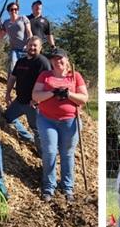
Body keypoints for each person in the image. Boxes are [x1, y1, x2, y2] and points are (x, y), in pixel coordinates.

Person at [32, 48, 88, 203]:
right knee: (50, 152)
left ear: (66, 60)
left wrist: (69, 94)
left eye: (60, 58)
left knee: (67, 154)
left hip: (70, 121)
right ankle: (49, 187)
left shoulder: (75, 76)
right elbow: (35, 96)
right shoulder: (45, 76)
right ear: (51, 62)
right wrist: (53, 92)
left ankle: (67, 188)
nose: (58, 62)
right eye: (54, 59)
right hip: (47, 119)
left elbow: (84, 98)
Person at [4, 36, 51, 144]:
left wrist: (38, 100)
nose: (32, 47)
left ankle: (42, 155)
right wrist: (7, 94)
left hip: (33, 105)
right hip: (19, 101)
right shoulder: (21, 61)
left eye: (35, 45)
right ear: (27, 46)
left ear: (40, 47)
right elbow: (12, 77)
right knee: (8, 117)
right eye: (30, 45)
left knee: (37, 130)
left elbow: (48, 83)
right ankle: (27, 137)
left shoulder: (43, 62)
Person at [0, 2, 32, 72]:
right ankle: (11, 82)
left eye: (15, 9)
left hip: (25, 48)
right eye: (11, 9)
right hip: (14, 49)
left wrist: (29, 44)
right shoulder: (6, 22)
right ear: (8, 11)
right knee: (13, 67)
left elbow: (29, 32)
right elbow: (1, 36)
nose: (14, 11)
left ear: (18, 10)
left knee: (26, 68)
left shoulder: (23, 18)